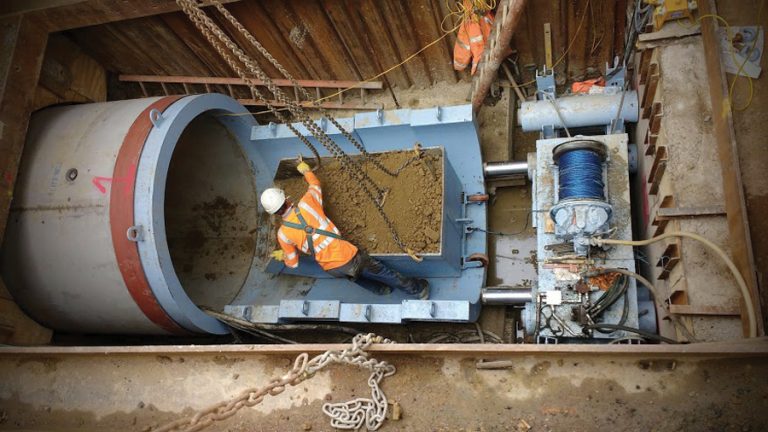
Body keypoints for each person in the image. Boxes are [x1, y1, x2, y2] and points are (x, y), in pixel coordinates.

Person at [260, 159, 429, 300]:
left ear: (274, 213)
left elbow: (293, 263)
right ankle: (418, 290)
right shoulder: (306, 204)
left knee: (355, 277)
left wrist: (283, 255)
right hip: (348, 257)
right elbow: (315, 184)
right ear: (286, 199)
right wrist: (305, 170)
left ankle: (381, 290)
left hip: (331, 268)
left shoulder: (283, 235)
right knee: (384, 273)